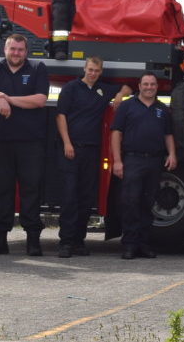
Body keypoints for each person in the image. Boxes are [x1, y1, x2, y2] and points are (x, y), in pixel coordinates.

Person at [0, 34, 50, 256]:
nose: (16, 53)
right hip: (0, 141)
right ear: (5, 49)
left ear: (26, 51)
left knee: (30, 191)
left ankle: (33, 241)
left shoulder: (37, 67)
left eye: (20, 50)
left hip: (30, 143)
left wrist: (9, 98)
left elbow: (40, 100)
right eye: (13, 49)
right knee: (2, 191)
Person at [55, 57, 131, 258]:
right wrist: (67, 143)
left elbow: (127, 87)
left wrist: (119, 96)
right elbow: (60, 115)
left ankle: (79, 241)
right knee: (69, 197)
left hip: (92, 151)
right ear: (84, 69)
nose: (93, 73)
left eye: (97, 70)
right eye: (90, 69)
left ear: (100, 72)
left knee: (86, 198)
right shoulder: (71, 88)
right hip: (71, 150)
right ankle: (65, 242)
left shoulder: (102, 89)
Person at [110, 72, 176, 259]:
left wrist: (172, 154)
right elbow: (116, 133)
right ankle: (130, 244)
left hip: (155, 161)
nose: (149, 87)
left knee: (148, 203)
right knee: (130, 202)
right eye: (145, 84)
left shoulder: (162, 109)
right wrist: (117, 161)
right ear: (139, 86)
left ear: (157, 87)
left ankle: (144, 244)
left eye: (152, 84)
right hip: (132, 159)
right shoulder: (127, 106)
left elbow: (168, 135)